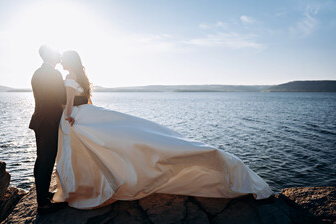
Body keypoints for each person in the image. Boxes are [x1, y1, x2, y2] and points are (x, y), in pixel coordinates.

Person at [53, 50, 273, 209]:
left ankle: (88, 188)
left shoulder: (70, 77)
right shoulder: (81, 77)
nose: (61, 62)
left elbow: (70, 102)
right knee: (126, 139)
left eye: (63, 59)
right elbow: (87, 100)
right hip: (90, 113)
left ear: (69, 62)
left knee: (86, 155)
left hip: (77, 118)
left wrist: (70, 117)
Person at [29, 46, 89, 215]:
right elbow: (62, 98)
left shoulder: (38, 72)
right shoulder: (53, 74)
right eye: (56, 53)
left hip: (39, 120)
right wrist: (83, 98)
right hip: (48, 122)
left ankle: (42, 195)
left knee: (41, 159)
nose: (59, 55)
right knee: (47, 161)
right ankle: (43, 205)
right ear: (49, 55)